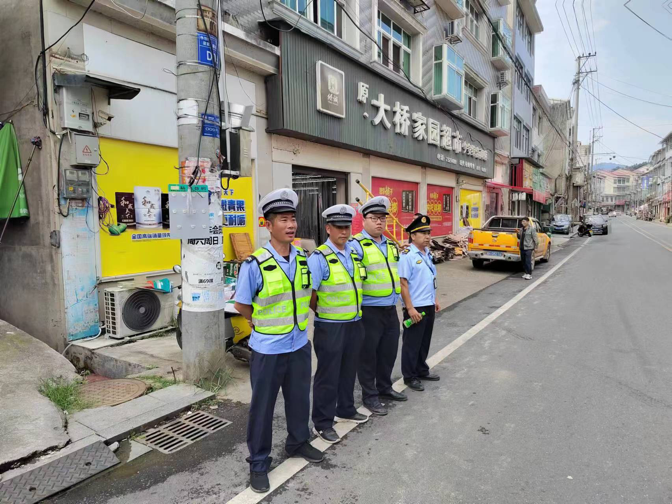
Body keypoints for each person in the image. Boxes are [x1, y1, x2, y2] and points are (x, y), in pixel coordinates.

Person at [234, 189, 324, 493]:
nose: (290, 225)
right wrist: (257, 322)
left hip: (299, 344)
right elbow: (242, 304)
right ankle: (259, 462)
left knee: (299, 399)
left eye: (292, 219)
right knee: (262, 407)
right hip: (269, 349)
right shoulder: (255, 264)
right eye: (283, 220)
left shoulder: (303, 258)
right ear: (268, 225)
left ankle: (298, 442)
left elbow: (308, 295)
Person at [308, 204, 369, 445]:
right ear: (328, 228)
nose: (344, 232)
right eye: (339, 227)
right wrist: (324, 311)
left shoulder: (352, 254)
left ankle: (345, 408)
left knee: (348, 370)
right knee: (328, 375)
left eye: (347, 227)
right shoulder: (319, 258)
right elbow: (310, 294)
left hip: (354, 323)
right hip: (330, 326)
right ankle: (322, 423)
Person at [349, 196, 407, 417]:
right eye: (374, 218)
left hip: (390, 309)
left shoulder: (391, 245)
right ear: (364, 220)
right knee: (368, 356)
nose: (379, 222)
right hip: (369, 311)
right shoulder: (355, 246)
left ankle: (384, 387)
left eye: (383, 218)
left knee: (388, 352)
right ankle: (370, 395)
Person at [398, 215, 441, 392]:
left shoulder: (427, 253)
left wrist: (434, 299)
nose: (427, 236)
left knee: (424, 341)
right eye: (423, 233)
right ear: (413, 236)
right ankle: (409, 376)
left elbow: (429, 279)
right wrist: (409, 308)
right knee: (412, 343)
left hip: (428, 303)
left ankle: (421, 369)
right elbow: (403, 283)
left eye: (428, 232)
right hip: (415, 306)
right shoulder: (407, 255)